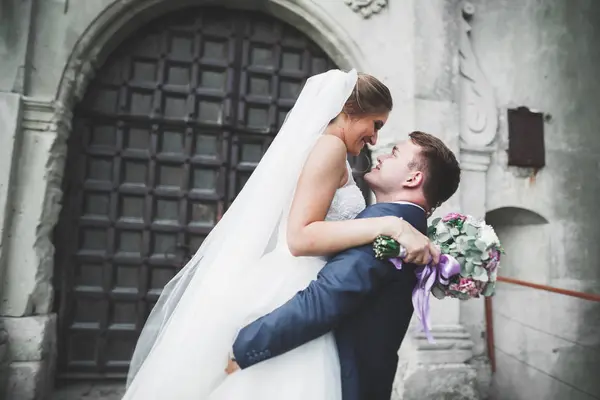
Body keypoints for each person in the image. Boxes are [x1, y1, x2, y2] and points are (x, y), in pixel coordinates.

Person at [122, 69, 438, 400]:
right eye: (375, 125)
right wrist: (391, 225)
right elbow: (300, 238)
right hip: (296, 283)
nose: (374, 139)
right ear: (350, 111)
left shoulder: (330, 150)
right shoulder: (330, 147)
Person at [221, 132, 461, 400]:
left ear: (413, 179)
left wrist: (243, 347)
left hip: (336, 381)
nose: (380, 155)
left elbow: (323, 300)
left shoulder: (386, 226)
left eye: (393, 153)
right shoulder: (412, 229)